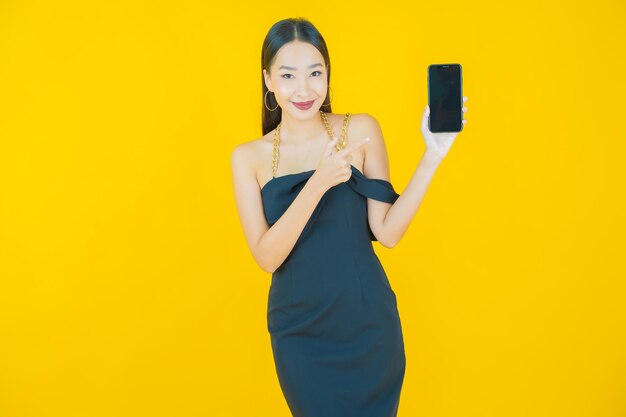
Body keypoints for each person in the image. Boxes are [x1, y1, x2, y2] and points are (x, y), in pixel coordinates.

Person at [230, 17, 468, 417]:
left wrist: (434, 154)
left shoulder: (360, 130)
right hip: (300, 333)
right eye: (288, 75)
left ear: (327, 75)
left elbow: (387, 232)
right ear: (268, 81)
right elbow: (267, 257)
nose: (303, 89)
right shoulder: (248, 158)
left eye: (315, 73)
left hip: (368, 326)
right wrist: (318, 183)